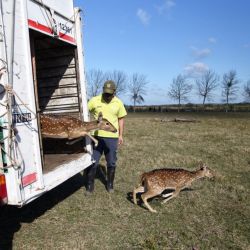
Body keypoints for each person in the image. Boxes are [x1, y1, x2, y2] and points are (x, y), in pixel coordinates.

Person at [86, 80, 127, 194]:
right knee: (92, 161)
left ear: (114, 92)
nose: (107, 95)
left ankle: (109, 184)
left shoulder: (118, 103)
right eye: (105, 93)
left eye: (110, 93)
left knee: (112, 162)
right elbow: (84, 112)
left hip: (112, 138)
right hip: (96, 138)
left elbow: (121, 119)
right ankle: (90, 186)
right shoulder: (94, 100)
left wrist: (120, 135)